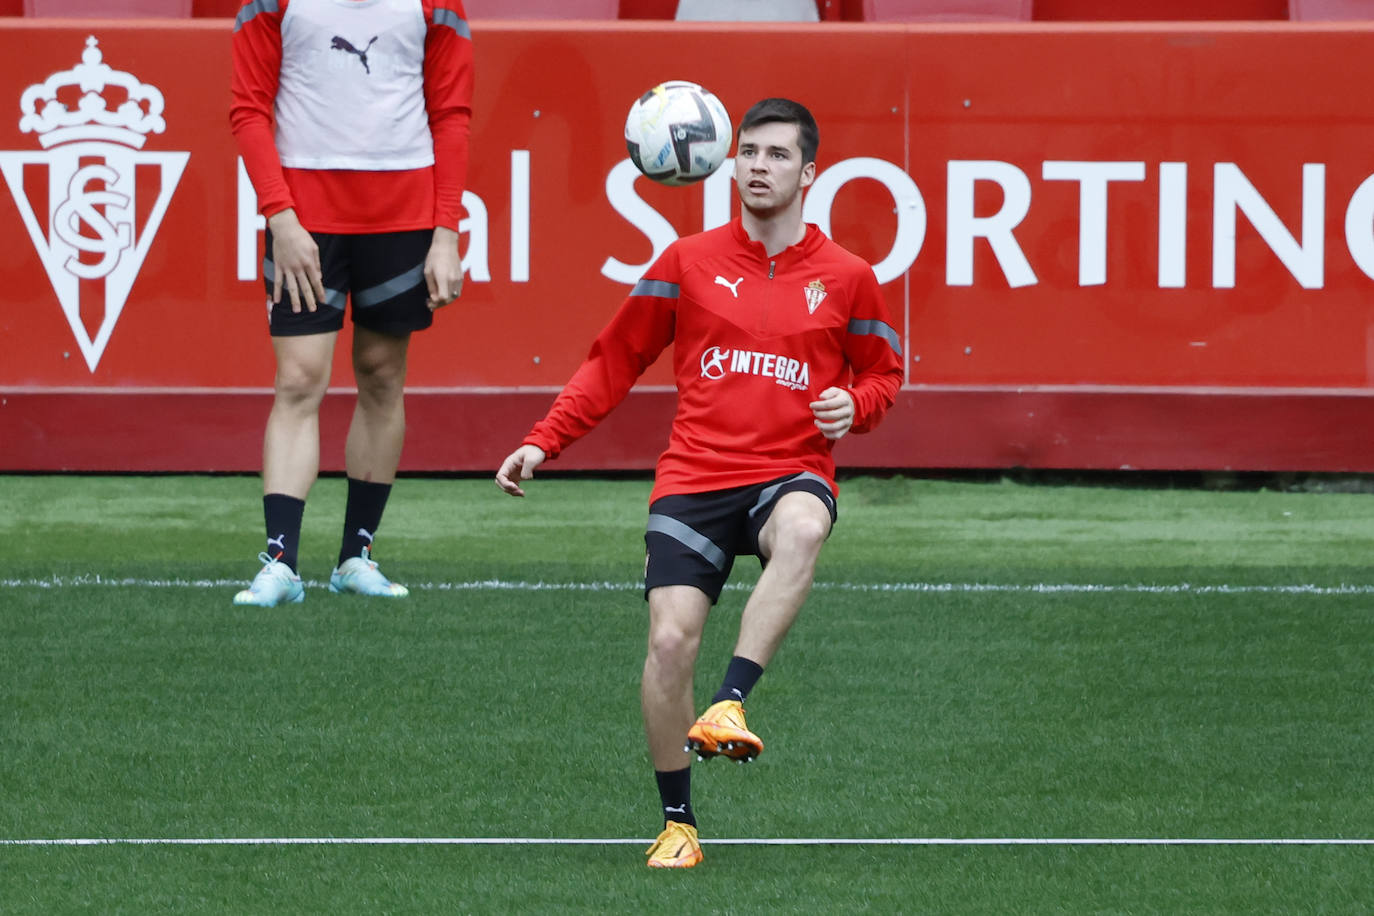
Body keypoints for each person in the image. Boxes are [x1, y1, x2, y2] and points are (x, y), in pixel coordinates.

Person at [495, 98, 903, 868]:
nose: (758, 165)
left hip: (791, 470)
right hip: (694, 478)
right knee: (669, 641)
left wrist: (858, 404)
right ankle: (679, 824)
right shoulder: (686, 261)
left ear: (810, 173)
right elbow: (613, 361)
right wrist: (543, 439)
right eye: (748, 151)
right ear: (729, 160)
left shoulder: (849, 278)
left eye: (778, 155)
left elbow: (884, 374)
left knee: (806, 529)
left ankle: (731, 700)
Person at [229, 0, 473, 606]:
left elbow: (451, 113)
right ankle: (280, 562)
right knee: (299, 380)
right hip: (304, 214)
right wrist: (280, 218)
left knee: (383, 376)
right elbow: (248, 110)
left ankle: (355, 557)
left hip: (404, 215)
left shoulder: (437, 5)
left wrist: (446, 232)